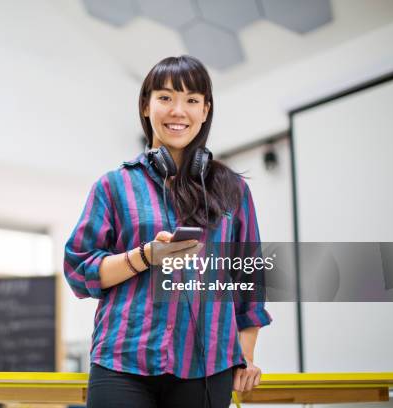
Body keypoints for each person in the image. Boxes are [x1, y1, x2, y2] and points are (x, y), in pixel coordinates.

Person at [64, 55, 272, 408]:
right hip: (122, 361)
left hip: (208, 366)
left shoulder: (233, 190)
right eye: (165, 98)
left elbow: (247, 282)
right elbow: (79, 271)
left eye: (192, 100)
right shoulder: (114, 186)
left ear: (206, 110)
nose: (179, 111)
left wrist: (246, 356)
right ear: (146, 106)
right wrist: (144, 257)